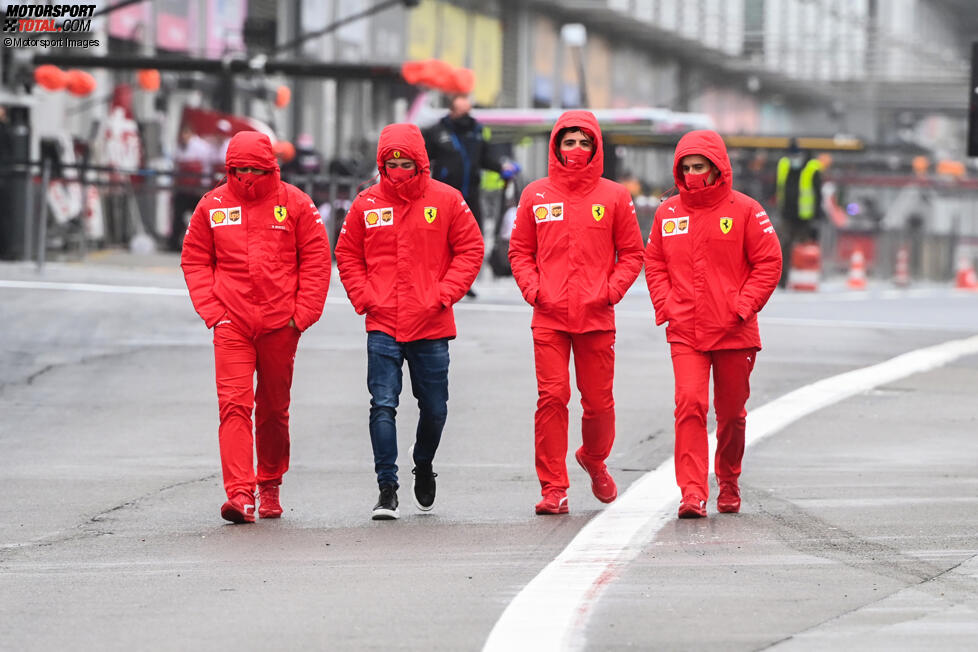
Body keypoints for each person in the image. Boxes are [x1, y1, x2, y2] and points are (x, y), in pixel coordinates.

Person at [334, 123, 484, 521]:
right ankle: (387, 488)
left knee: (434, 408)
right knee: (382, 404)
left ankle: (423, 463)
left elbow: (470, 248)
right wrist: (365, 297)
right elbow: (347, 254)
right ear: (381, 163)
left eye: (406, 162)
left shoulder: (448, 200)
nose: (399, 169)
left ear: (421, 162)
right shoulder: (366, 204)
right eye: (391, 163)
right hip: (383, 321)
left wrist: (444, 293)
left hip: (431, 322)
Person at [181, 131, 331, 524]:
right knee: (233, 406)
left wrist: (303, 314)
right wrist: (214, 311)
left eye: (254, 168)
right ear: (229, 168)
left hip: (281, 323)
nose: (247, 176)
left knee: (273, 410)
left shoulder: (295, 203)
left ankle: (270, 483)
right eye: (239, 169)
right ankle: (240, 493)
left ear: (270, 167)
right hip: (231, 322)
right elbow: (195, 259)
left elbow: (316, 258)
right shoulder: (212, 206)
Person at [508, 110, 644, 515]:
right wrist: (534, 290)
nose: (577, 149)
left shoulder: (615, 196)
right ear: (556, 147)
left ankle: (594, 457)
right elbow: (519, 251)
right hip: (549, 316)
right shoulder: (536, 194)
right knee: (552, 396)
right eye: (569, 142)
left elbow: (633, 253)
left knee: (598, 403)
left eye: (585, 142)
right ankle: (554, 488)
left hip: (596, 316)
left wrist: (611, 291)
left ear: (597, 148)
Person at [644, 129, 782, 519]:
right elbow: (653, 261)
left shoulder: (746, 210)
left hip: (734, 330)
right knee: (689, 404)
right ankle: (691, 493)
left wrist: (743, 306)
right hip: (685, 330)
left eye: (699, 167)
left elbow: (769, 262)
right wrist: (667, 303)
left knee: (732, 414)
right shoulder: (667, 213)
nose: (692, 175)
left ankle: (729, 479)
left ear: (717, 167)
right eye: (685, 168)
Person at [424, 95, 518, 298]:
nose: (465, 116)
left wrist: (502, 166)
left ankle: (463, 281)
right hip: (444, 197)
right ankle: (439, 278)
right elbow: (423, 157)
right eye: (461, 112)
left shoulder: (476, 131)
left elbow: (486, 157)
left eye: (468, 112)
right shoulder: (436, 132)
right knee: (441, 239)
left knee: (471, 239)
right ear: (452, 111)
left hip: (471, 195)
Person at [776, 138, 823, 287]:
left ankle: (803, 279)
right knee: (783, 247)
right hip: (787, 214)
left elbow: (817, 193)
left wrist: (817, 214)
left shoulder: (812, 167)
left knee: (803, 248)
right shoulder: (783, 164)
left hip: (805, 216)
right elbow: (778, 187)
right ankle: (782, 281)